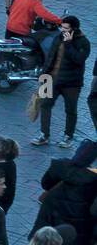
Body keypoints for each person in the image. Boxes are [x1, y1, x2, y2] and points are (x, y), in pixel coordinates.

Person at [35, 14, 90, 148]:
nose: (62, 30)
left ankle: (68, 136)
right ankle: (44, 134)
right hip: (51, 78)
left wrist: (69, 44)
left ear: (74, 29)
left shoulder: (83, 43)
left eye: (66, 28)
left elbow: (78, 59)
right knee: (44, 105)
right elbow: (50, 58)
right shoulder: (58, 37)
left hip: (71, 84)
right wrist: (43, 76)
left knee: (70, 110)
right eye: (61, 27)